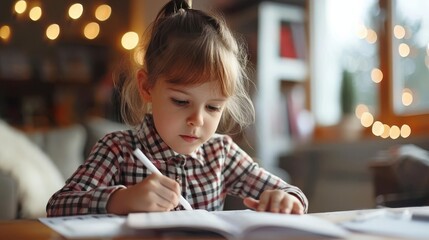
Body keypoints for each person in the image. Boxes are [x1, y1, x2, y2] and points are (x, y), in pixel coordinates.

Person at [46, 0, 308, 216]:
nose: (197, 120)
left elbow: (291, 194)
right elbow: (58, 205)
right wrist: (120, 200)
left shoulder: (221, 154)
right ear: (147, 87)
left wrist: (286, 200)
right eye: (181, 101)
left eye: (214, 107)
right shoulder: (118, 150)